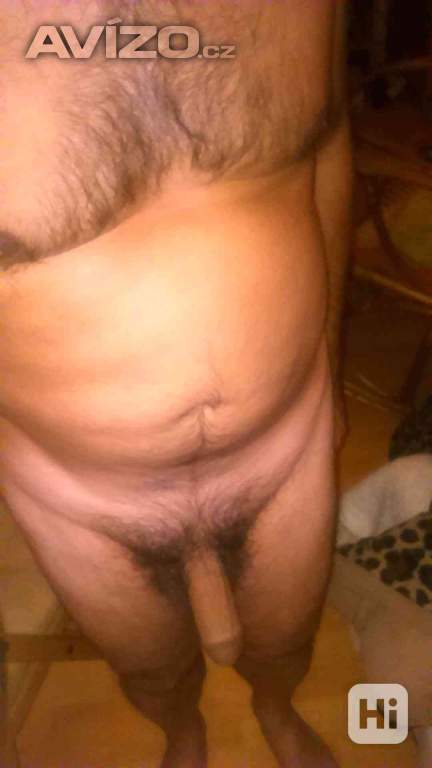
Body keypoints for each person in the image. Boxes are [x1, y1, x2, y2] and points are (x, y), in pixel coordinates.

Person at [0, 2, 352, 766]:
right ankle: (182, 731)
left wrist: (331, 351)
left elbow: (326, 142)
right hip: (79, 496)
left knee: (287, 643)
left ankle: (275, 707)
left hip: (286, 444)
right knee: (152, 673)